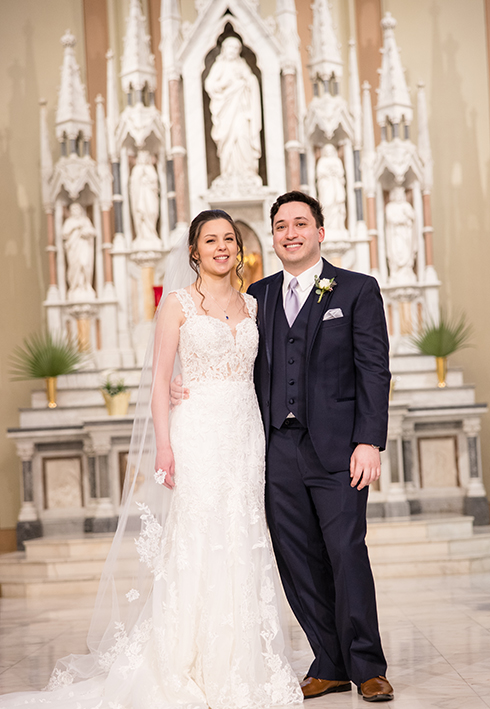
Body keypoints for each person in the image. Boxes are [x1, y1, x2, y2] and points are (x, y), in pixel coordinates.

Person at [0, 210, 302, 709]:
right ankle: (185, 660)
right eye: (211, 240)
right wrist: (164, 445)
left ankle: (240, 660)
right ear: (194, 251)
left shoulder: (254, 304)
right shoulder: (178, 305)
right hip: (197, 433)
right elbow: (161, 380)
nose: (222, 247)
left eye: (229, 238)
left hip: (246, 436)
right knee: (198, 537)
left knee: (242, 535)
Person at [174, 191, 394, 703]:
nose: (290, 233)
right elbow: (226, 356)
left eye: (300, 223)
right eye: (280, 226)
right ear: (271, 238)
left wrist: (369, 441)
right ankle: (329, 659)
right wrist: (173, 385)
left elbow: (374, 370)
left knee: (345, 552)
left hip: (340, 450)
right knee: (296, 558)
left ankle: (367, 665)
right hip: (275, 449)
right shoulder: (258, 297)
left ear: (320, 232)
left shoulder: (358, 290)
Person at [205, 37, 262, 178]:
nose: (233, 51)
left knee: (242, 136)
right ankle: (228, 171)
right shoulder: (220, 66)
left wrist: (247, 81)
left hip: (241, 111)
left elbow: (252, 81)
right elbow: (209, 85)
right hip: (225, 112)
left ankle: (247, 170)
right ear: (224, 49)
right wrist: (225, 83)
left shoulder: (242, 65)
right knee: (228, 142)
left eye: (236, 49)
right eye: (230, 48)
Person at [62, 202, 96, 301]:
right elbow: (64, 233)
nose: (75, 212)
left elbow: (92, 231)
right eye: (73, 210)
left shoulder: (85, 220)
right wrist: (75, 227)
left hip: (84, 246)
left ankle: (87, 285)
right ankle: (75, 286)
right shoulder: (69, 222)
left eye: (77, 209)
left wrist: (85, 232)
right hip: (73, 248)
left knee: (84, 264)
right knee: (75, 266)